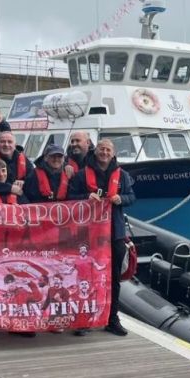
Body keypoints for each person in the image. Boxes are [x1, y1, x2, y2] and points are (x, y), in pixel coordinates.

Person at [68, 139, 135, 336]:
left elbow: (132, 197)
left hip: (114, 233)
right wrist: (85, 198)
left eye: (108, 150)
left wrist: (121, 198)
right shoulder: (82, 175)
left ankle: (112, 318)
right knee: (86, 277)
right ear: (95, 151)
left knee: (113, 278)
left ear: (113, 154)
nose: (104, 152)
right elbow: (70, 197)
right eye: (101, 149)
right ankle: (84, 320)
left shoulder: (122, 176)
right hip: (89, 235)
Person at [0, 131, 33, 199]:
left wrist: (24, 183)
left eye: (10, 142)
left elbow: (34, 182)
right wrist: (9, 188)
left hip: (19, 201)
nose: (6, 144)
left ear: (15, 145)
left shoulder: (24, 161)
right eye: (2, 142)